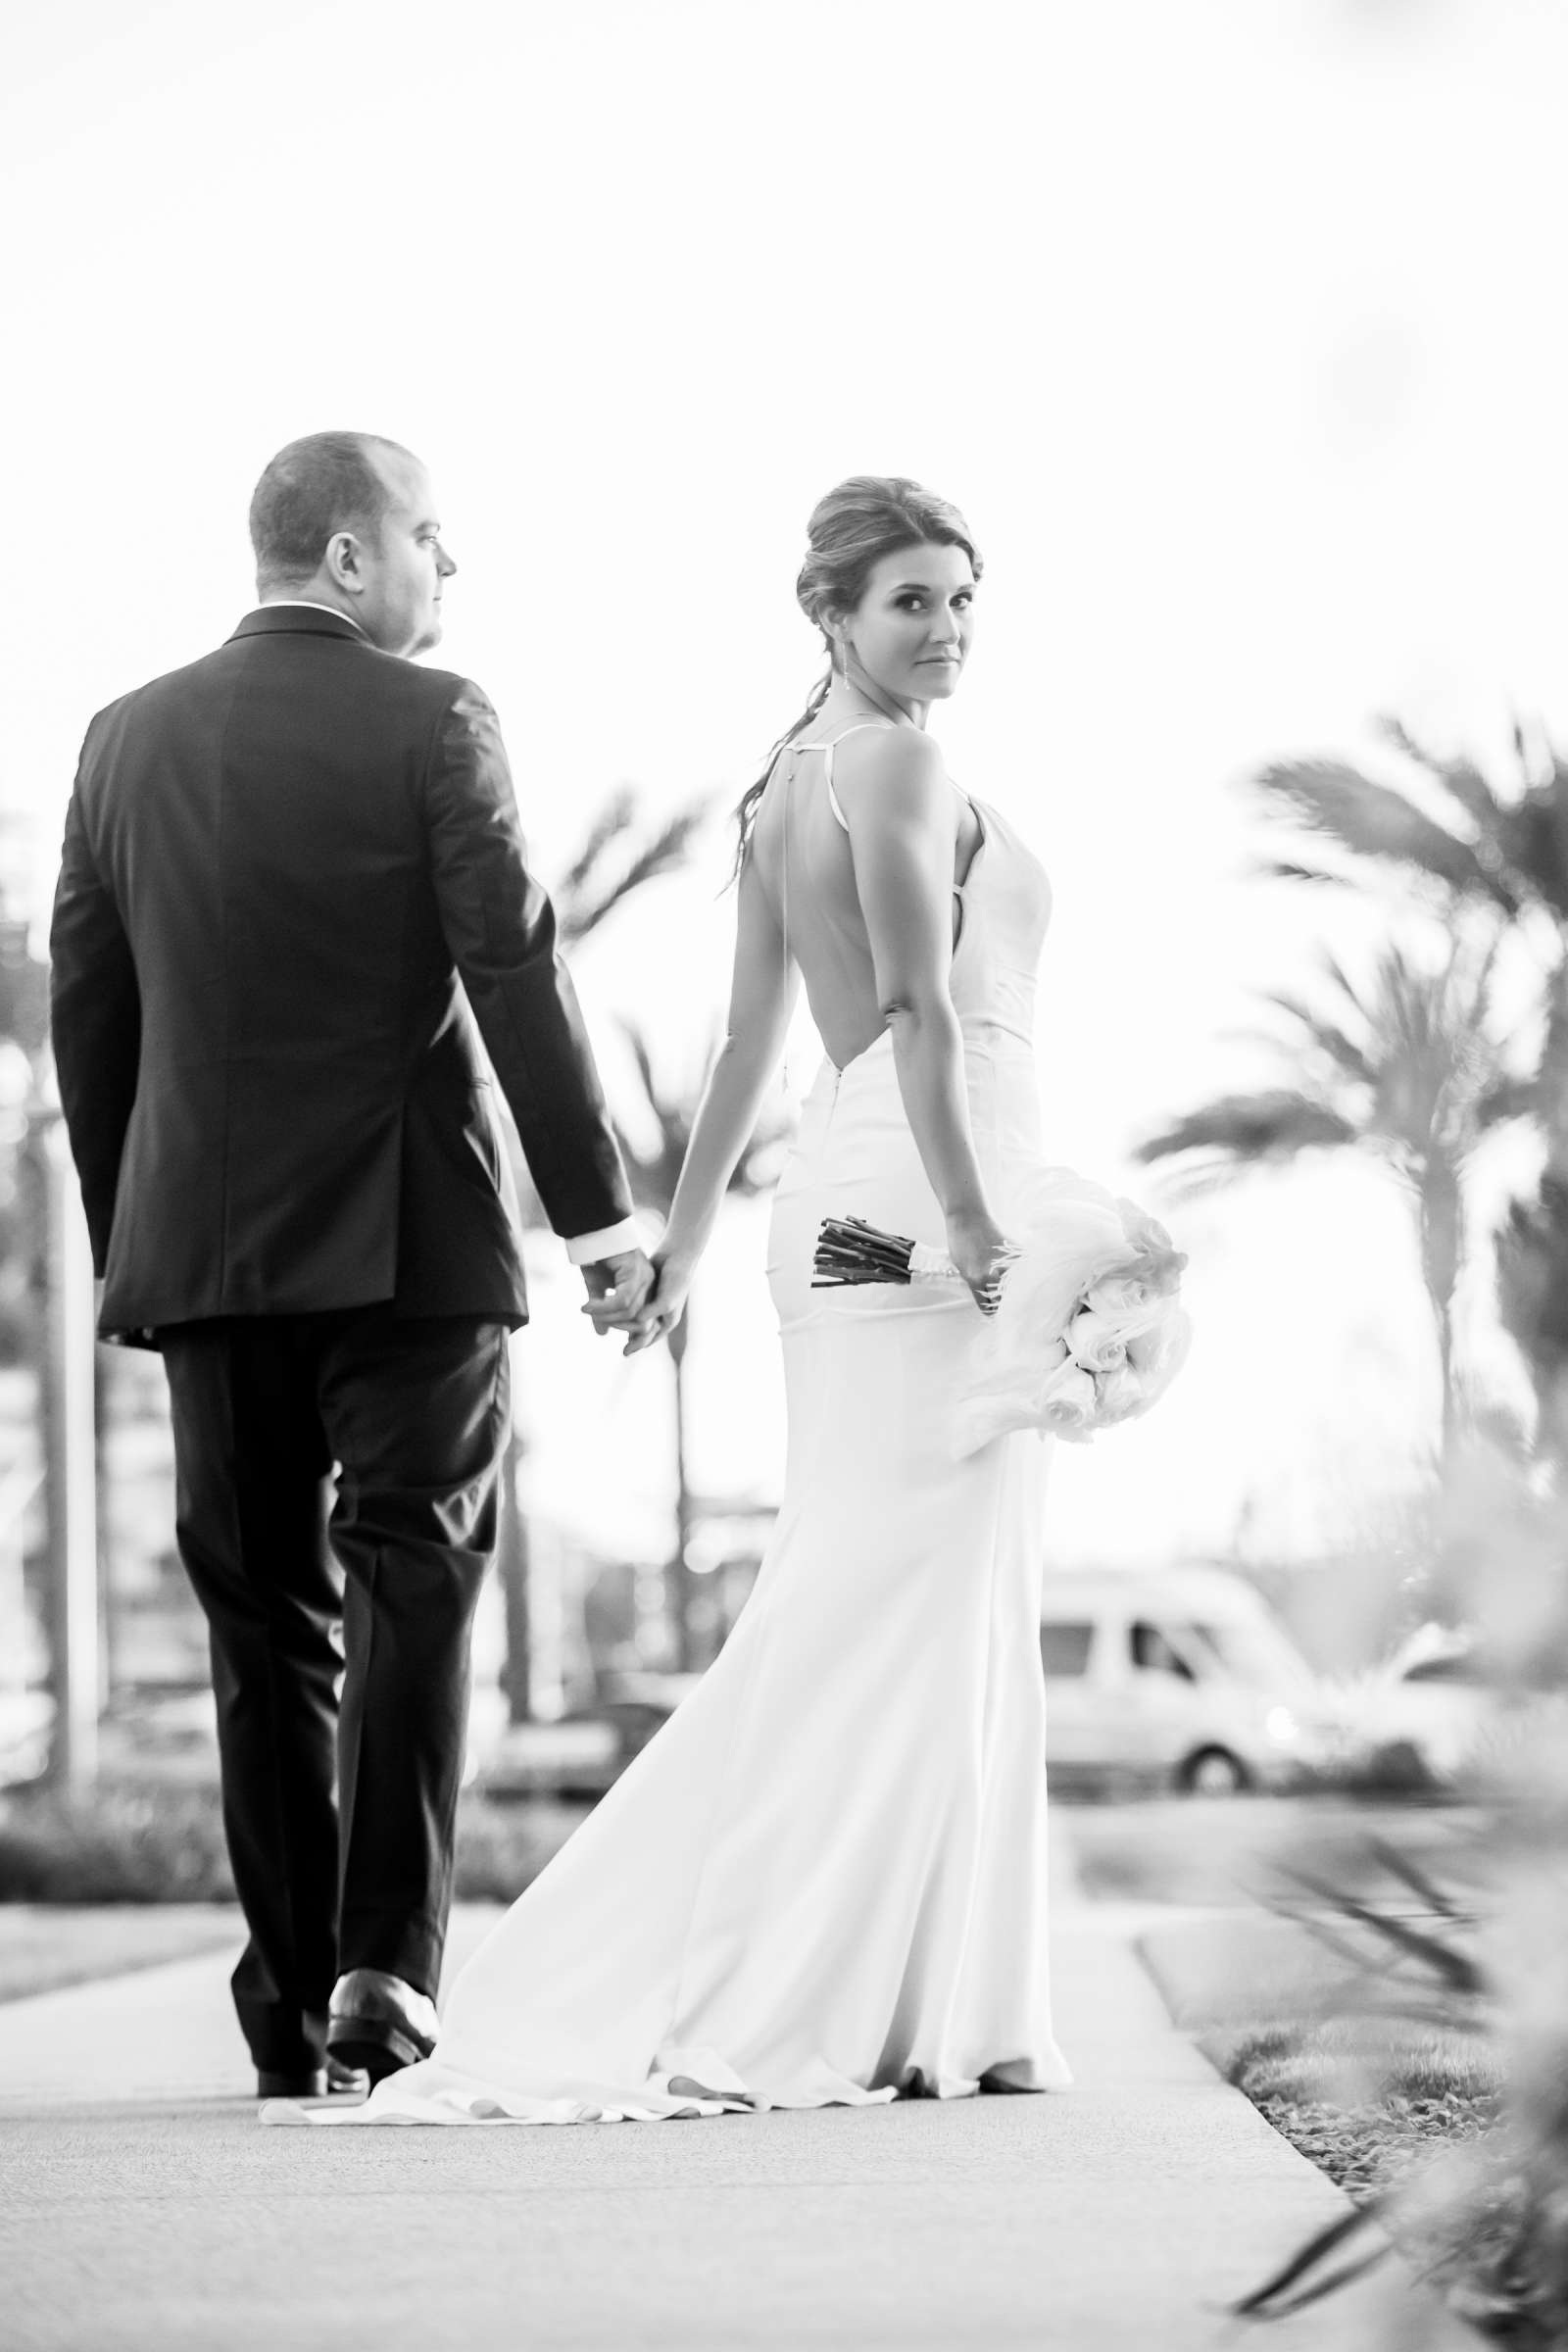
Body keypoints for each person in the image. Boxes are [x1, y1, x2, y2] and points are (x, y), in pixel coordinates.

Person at [270, 473, 1071, 2127]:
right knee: (906, 1602)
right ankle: (878, 1998)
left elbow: (750, 1048)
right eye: (911, 599)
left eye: (964, 597)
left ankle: (928, 1998)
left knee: (874, 1602)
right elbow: (919, 1009)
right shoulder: (900, 765)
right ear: (830, 616)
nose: (947, 629)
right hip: (927, 1201)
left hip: (835, 1207)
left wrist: (693, 1246)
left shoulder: (783, 787)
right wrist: (990, 1230)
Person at [49, 432, 653, 2100]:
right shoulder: (436, 720)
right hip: (413, 1254)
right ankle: (386, 1974)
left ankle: (286, 2006)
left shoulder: (119, 742)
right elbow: (512, 965)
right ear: (345, 559)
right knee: (415, 1588)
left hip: (208, 1269)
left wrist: (139, 1249)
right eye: (430, 541)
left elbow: (90, 1021)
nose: (448, 573)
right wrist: (600, 1223)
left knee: (266, 1635)